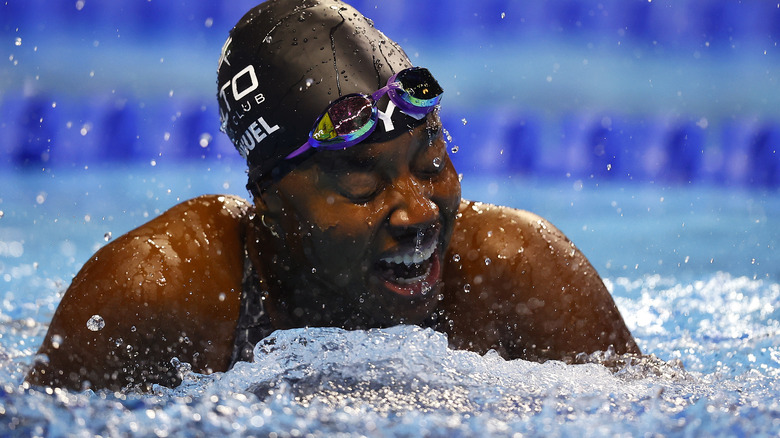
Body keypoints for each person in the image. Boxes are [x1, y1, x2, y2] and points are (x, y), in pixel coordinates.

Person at [26, 0, 639, 391]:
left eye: (431, 164)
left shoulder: (512, 273)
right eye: (362, 183)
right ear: (268, 198)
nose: (420, 212)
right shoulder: (163, 296)